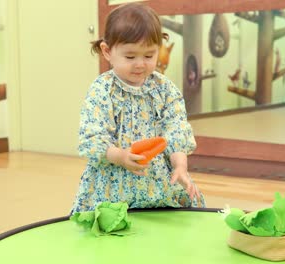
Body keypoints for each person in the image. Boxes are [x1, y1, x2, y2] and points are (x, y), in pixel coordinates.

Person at [70, 2, 205, 214]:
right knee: (112, 229)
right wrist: (121, 156)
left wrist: (180, 166)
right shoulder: (103, 90)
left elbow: (175, 128)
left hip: (156, 181)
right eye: (130, 57)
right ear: (107, 51)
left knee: (163, 227)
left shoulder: (164, 88)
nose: (140, 64)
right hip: (112, 183)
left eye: (149, 56)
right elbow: (92, 135)